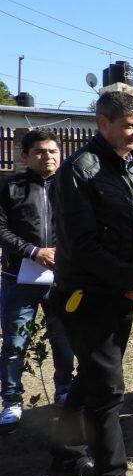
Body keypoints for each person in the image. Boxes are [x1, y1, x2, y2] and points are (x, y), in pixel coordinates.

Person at [51, 91, 133, 476]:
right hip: (87, 296)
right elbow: (81, 245)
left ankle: (65, 458)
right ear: (103, 123)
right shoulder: (79, 171)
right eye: (130, 125)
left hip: (124, 293)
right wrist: (131, 278)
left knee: (91, 381)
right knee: (107, 392)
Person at [0, 130, 75, 435]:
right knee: (16, 341)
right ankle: (11, 401)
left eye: (53, 152)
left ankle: (64, 390)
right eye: (40, 152)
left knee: (63, 338)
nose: (48, 157)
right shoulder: (10, 187)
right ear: (25, 156)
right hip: (20, 277)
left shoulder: (70, 186)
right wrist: (33, 251)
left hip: (62, 278)